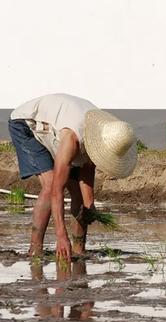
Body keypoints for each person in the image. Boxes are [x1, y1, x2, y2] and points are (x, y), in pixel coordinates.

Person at [8, 93, 138, 259]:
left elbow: (87, 171)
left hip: (58, 128)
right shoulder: (72, 139)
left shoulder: (101, 135)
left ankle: (78, 250)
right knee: (49, 186)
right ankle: (35, 249)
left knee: (79, 196)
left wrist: (89, 204)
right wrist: (61, 236)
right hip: (27, 124)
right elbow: (57, 189)